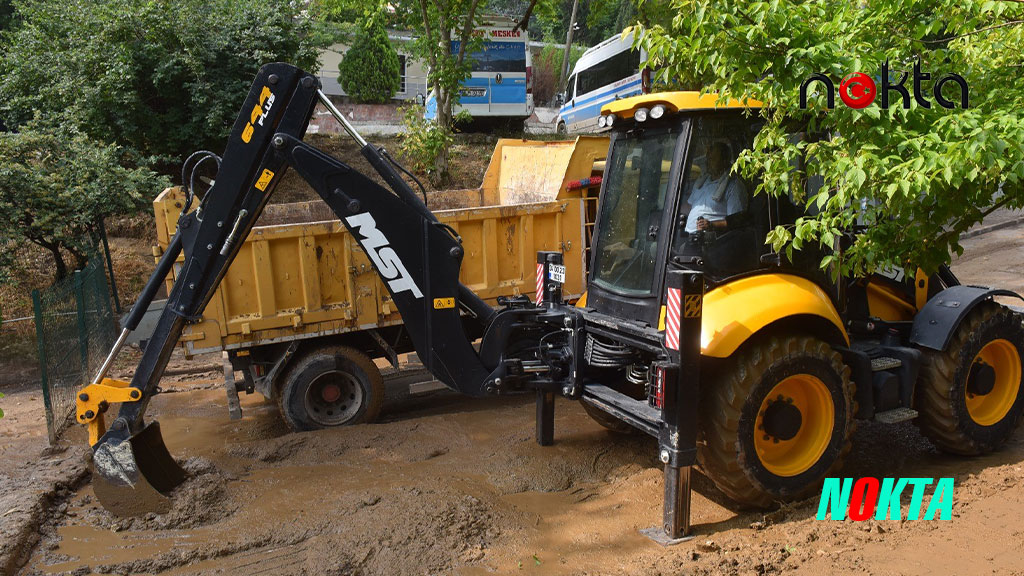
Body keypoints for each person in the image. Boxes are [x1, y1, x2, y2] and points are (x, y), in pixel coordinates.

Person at [682, 142, 747, 233]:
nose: (708, 161)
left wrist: (712, 225)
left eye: (712, 159)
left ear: (724, 161)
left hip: (714, 242)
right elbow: (689, 206)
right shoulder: (702, 181)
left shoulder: (733, 186)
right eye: (708, 158)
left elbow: (737, 221)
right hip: (689, 237)